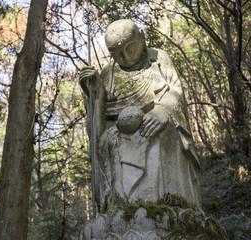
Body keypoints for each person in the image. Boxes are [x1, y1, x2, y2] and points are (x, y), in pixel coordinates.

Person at [79, 19, 200, 211]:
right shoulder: (108, 74)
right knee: (109, 141)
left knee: (162, 131)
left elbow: (175, 91)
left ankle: (164, 203)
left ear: (142, 38)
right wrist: (95, 94)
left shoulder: (159, 58)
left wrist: (161, 111)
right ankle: (122, 206)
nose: (125, 57)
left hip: (157, 121)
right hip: (118, 131)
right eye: (116, 53)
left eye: (130, 48)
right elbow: (97, 126)